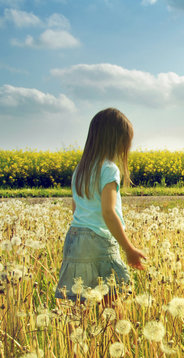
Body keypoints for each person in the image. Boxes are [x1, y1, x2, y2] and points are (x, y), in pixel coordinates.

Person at [55, 108, 145, 304]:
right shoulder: (109, 169)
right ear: (117, 141)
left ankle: (76, 335)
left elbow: (75, 208)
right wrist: (129, 248)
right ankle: (113, 334)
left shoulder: (80, 169)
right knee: (113, 297)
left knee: (78, 299)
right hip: (99, 239)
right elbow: (108, 212)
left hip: (75, 237)